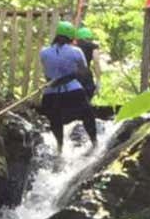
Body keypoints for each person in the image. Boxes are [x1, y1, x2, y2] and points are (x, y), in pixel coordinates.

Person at [38, 20, 98, 154]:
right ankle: (94, 143)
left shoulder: (44, 52)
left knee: (55, 119)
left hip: (51, 92)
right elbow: (83, 70)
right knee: (87, 114)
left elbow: (47, 74)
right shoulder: (76, 51)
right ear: (71, 37)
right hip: (73, 90)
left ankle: (59, 147)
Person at [75, 26, 102, 100]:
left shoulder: (73, 46)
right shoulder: (93, 46)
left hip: (72, 76)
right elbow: (96, 62)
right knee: (86, 99)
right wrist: (98, 81)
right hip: (86, 76)